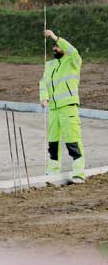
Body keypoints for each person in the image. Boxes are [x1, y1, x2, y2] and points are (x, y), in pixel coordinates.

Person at [39, 30, 85, 183]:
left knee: (73, 140)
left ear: (64, 47)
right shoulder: (50, 65)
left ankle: (78, 173)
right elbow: (43, 82)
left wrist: (54, 37)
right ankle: (52, 172)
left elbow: (74, 51)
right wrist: (44, 97)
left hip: (68, 107)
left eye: (57, 46)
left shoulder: (73, 61)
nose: (54, 49)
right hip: (53, 109)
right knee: (53, 142)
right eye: (54, 46)